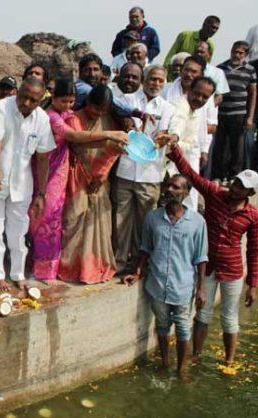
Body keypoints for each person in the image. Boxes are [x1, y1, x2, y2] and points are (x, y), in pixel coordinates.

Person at [160, 122, 258, 366]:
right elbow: (193, 176)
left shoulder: (252, 215)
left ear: (249, 193)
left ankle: (229, 360)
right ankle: (196, 356)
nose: (234, 188)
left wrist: (253, 283)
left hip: (233, 270)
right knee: (202, 313)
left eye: (241, 188)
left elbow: (254, 250)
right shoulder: (215, 194)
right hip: (209, 265)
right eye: (235, 183)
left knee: (229, 317)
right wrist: (175, 151)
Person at [32, 80, 128, 281]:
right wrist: (110, 136)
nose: (68, 105)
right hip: (56, 170)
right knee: (57, 219)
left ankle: (85, 268)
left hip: (80, 173)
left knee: (63, 221)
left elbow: (103, 144)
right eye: (64, 101)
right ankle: (56, 268)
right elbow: (75, 137)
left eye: (71, 101)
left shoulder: (67, 114)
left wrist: (104, 168)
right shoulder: (62, 117)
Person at [123, 174, 208, 379]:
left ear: (186, 193)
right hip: (158, 283)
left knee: (182, 328)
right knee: (161, 325)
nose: (170, 190)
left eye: (176, 187)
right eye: (168, 186)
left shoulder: (197, 222)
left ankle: (181, 370)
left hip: (183, 285)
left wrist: (201, 288)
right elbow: (145, 248)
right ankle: (165, 363)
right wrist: (137, 271)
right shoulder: (153, 218)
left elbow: (201, 257)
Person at [0, 77, 55, 292]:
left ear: (40, 100)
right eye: (23, 96)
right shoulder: (0, 109)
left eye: (32, 100)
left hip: (22, 183)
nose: (25, 102)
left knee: (18, 230)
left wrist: (41, 193)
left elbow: (43, 157)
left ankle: (18, 273)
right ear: (17, 91)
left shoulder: (41, 119)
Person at [58, 85, 127, 283]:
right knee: (73, 221)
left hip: (99, 180)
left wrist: (102, 175)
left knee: (97, 224)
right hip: (76, 176)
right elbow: (79, 143)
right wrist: (108, 138)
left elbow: (114, 150)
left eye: (103, 110)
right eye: (96, 109)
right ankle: (70, 269)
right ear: (87, 102)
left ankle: (93, 268)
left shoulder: (108, 121)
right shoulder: (73, 119)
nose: (98, 114)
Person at [113, 65, 175, 274]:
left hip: (151, 174)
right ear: (144, 79)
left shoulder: (168, 108)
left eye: (160, 80)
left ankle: (139, 265)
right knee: (121, 220)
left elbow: (171, 134)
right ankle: (120, 262)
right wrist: (129, 120)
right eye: (152, 79)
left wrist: (166, 138)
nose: (155, 83)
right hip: (126, 170)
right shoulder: (129, 100)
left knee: (145, 222)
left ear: (164, 83)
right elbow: (116, 108)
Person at [162, 56, 215, 209]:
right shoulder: (181, 104)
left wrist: (204, 150)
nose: (199, 98)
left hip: (189, 157)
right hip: (172, 158)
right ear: (190, 90)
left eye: (204, 97)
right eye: (197, 94)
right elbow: (178, 122)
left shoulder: (197, 107)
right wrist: (175, 136)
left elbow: (204, 128)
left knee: (189, 198)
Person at [212, 41, 257, 181]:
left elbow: (253, 94)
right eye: (234, 51)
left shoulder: (250, 70)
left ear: (246, 55)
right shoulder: (220, 68)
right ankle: (218, 176)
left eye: (240, 53)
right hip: (221, 114)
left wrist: (250, 117)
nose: (236, 55)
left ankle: (233, 177)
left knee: (237, 149)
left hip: (239, 115)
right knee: (220, 147)